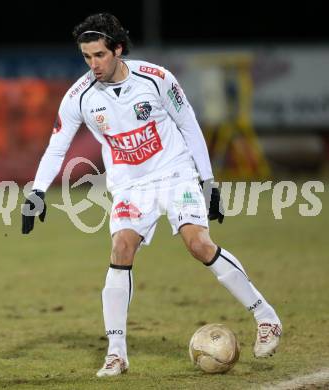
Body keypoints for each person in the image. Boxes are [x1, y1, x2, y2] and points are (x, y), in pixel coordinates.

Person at [21, 13, 282, 378]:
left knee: (199, 245)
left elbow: (188, 123)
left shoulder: (156, 79)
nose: (93, 64)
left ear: (118, 49)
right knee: (121, 249)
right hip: (130, 186)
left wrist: (208, 182)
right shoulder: (79, 97)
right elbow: (56, 147)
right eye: (86, 57)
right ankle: (116, 354)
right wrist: (36, 193)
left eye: (99, 55)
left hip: (175, 174)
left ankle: (266, 317)